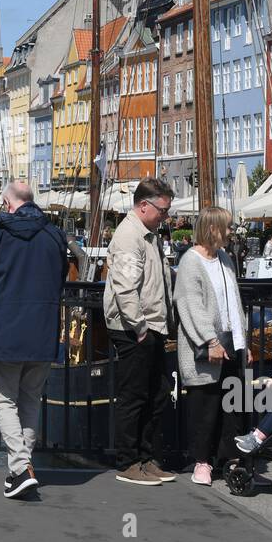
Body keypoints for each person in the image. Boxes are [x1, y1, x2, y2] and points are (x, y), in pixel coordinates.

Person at [0, 181, 68, 498]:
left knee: (2, 399)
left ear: (8, 204)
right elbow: (62, 273)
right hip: (43, 329)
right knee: (30, 401)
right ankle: (20, 471)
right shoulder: (54, 234)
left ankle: (21, 468)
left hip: (5, 328)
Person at [104, 178, 176, 486]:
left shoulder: (149, 234)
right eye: (162, 210)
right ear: (144, 205)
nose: (166, 216)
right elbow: (125, 286)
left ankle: (147, 458)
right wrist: (140, 327)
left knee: (157, 392)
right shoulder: (129, 234)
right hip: (134, 327)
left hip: (151, 324)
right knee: (134, 395)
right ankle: (129, 462)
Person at [174, 205, 247, 485]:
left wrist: (243, 340)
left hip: (231, 342)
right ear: (213, 228)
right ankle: (201, 462)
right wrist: (211, 340)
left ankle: (230, 459)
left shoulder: (225, 258)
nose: (232, 231)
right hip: (205, 346)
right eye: (228, 226)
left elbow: (234, 302)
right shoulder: (191, 262)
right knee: (205, 405)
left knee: (233, 405)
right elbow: (190, 305)